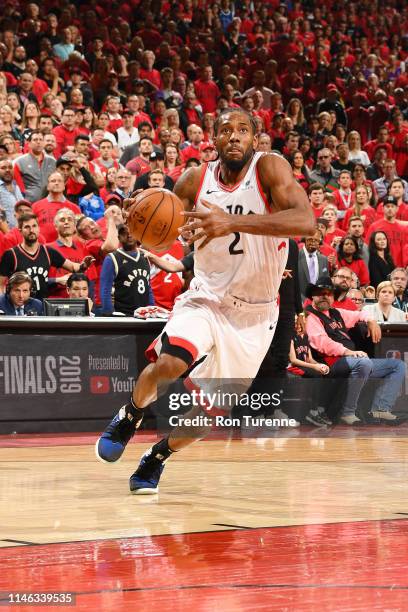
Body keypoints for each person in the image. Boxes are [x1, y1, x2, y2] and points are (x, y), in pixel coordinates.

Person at [95, 108, 314, 493]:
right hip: (206, 297)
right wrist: (138, 212)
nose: (234, 137)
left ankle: (157, 457)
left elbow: (305, 220)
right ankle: (131, 414)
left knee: (208, 416)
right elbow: (164, 224)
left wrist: (232, 222)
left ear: (254, 137)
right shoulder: (197, 179)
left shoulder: (270, 169)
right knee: (168, 364)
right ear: (213, 139)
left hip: (256, 315)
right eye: (225, 130)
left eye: (242, 130)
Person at [305, 277, 406, 425]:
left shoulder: (336, 312)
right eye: (320, 293)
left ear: (333, 297)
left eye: (328, 293)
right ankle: (348, 413)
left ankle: (380, 409)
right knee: (363, 363)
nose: (324, 296)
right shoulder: (310, 316)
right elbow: (321, 343)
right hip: (330, 362)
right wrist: (348, 352)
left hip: (352, 360)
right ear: (312, 296)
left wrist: (371, 321)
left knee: (398, 365)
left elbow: (360, 314)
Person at [0, 213, 94, 299]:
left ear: (39, 228)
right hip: (20, 306)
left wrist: (84, 266)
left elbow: (73, 267)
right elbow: (1, 285)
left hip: (42, 306)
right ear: (20, 231)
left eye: (34, 226)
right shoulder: (11, 255)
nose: (31, 230)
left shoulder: (48, 252)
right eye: (27, 227)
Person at [99, 224, 154, 316]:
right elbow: (105, 290)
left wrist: (152, 308)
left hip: (144, 315)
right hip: (122, 314)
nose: (129, 235)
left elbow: (148, 288)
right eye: (124, 233)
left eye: (132, 232)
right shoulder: (112, 258)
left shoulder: (144, 256)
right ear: (119, 237)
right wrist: (108, 315)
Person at [298, 230, 329, 302]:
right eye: (310, 239)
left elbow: (325, 282)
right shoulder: (296, 256)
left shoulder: (324, 259)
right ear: (305, 239)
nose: (312, 242)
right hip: (298, 301)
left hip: (317, 302)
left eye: (316, 240)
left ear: (320, 241)